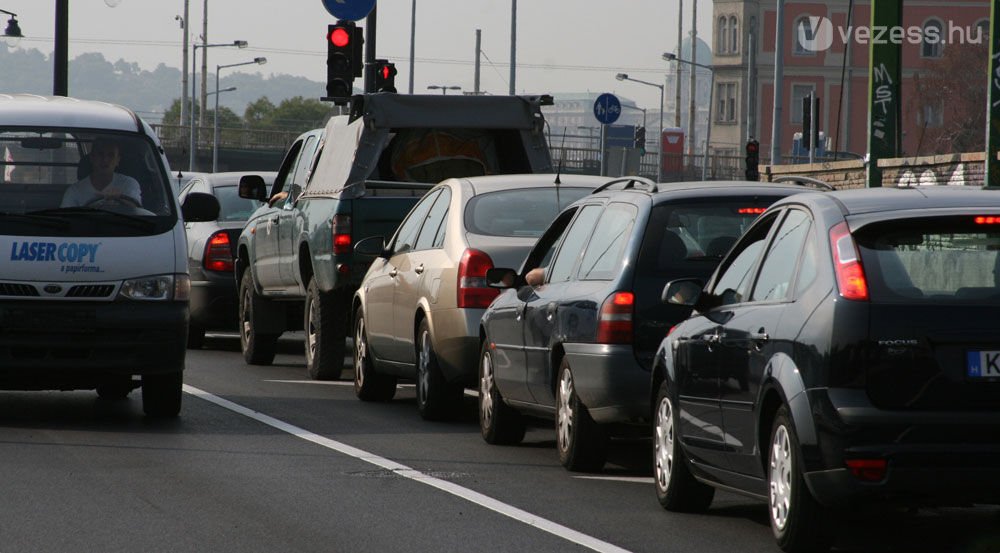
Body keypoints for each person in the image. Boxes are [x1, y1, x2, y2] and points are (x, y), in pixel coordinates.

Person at [61, 138, 142, 208]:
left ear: (118, 160)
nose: (105, 160)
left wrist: (120, 198)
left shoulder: (129, 184)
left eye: (111, 155)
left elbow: (136, 211)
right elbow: (65, 221)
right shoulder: (74, 191)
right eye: (100, 154)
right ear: (92, 158)